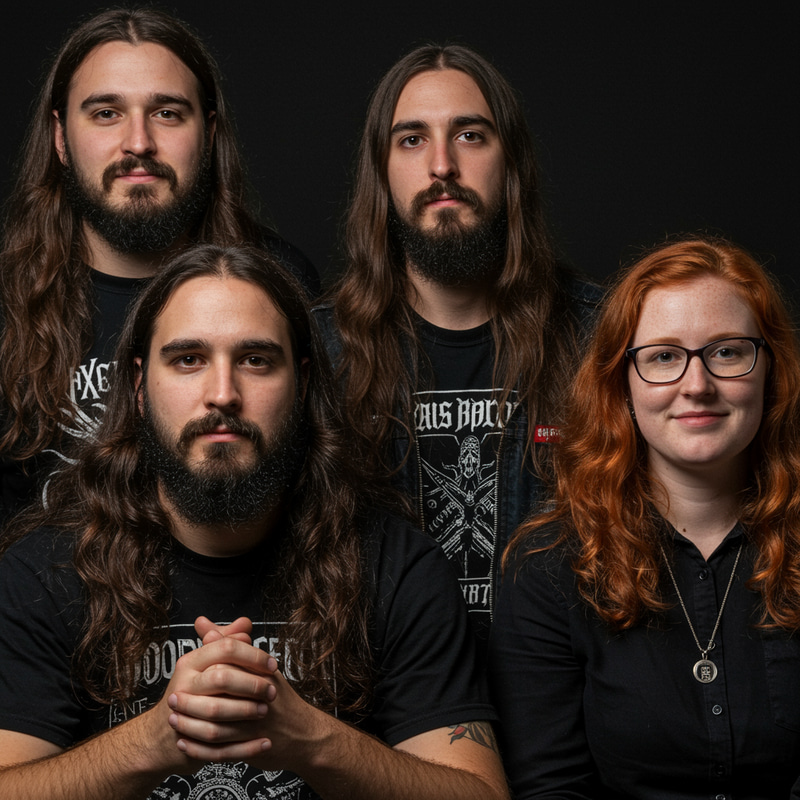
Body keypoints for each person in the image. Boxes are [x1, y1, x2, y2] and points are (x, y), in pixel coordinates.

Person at [0, 244, 508, 800]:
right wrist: (153, 741)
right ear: (141, 388)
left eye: (256, 360)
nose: (223, 394)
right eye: (188, 359)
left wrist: (307, 738)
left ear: (304, 383)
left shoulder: (395, 565)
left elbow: (481, 792)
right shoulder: (44, 570)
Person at [489, 236, 800, 798]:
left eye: (727, 351)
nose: (697, 385)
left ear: (771, 369)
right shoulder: (549, 567)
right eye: (663, 357)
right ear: (621, 385)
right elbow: (552, 787)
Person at [313, 43, 599, 646]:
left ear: (510, 162)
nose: (441, 165)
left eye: (470, 135)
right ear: (382, 171)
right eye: (412, 140)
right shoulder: (317, 352)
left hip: (560, 704)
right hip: (388, 705)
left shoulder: (599, 338)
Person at [0, 8, 318, 525]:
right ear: (60, 137)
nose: (139, 143)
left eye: (167, 113)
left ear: (208, 132)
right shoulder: (8, 299)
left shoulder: (282, 281)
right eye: (106, 113)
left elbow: (316, 489)